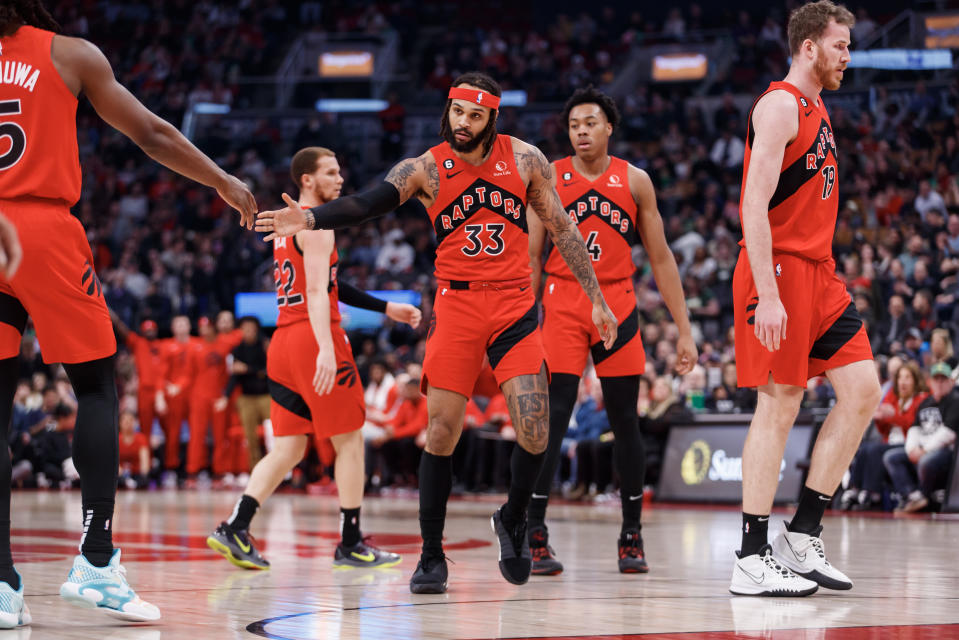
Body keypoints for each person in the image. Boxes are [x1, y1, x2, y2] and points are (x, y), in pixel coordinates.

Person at [256, 72, 618, 594]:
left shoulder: (525, 159)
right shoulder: (424, 167)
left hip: (515, 304)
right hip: (457, 306)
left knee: (536, 429)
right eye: (456, 113)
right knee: (442, 433)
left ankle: (513, 518)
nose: (463, 124)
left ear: (492, 117)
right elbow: (369, 202)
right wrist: (312, 218)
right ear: (447, 111)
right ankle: (431, 554)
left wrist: (598, 300)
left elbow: (562, 228)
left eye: (474, 116)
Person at [0, 0, 256, 625]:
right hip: (41, 230)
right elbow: (151, 133)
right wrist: (221, 179)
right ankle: (95, 558)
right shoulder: (67, 53)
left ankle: (2, 587)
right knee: (94, 385)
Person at [207, 147, 421, 570]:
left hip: (283, 342)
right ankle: (351, 541)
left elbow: (327, 283)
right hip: (312, 336)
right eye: (330, 172)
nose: (340, 179)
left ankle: (235, 526)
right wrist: (326, 347)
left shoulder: (292, 226)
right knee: (350, 441)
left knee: (288, 448)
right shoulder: (317, 226)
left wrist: (385, 308)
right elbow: (321, 294)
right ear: (307, 179)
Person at [729, 0, 881, 598]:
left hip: (821, 273)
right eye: (840, 45)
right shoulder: (779, 105)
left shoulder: (818, 108)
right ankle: (750, 554)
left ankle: (803, 533)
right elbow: (752, 204)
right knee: (780, 403)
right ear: (810, 47)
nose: (848, 55)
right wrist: (768, 293)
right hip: (780, 272)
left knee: (864, 390)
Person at [525, 86, 696, 576]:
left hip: (619, 303)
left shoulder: (635, 181)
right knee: (554, 417)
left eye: (590, 123)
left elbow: (661, 258)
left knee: (625, 421)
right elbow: (533, 257)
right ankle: (535, 531)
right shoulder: (548, 177)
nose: (581, 131)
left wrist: (684, 329)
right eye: (574, 124)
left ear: (609, 128)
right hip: (561, 302)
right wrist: (524, 321)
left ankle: (631, 533)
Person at [883, 362, 958, 512]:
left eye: (943, 379)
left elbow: (948, 434)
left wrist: (923, 450)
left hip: (945, 452)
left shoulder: (955, 401)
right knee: (891, 457)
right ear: (930, 381)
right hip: (921, 448)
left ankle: (924, 496)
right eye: (936, 379)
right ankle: (912, 495)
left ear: (951, 382)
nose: (939, 383)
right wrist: (912, 449)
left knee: (926, 461)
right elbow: (914, 429)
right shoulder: (926, 402)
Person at [222, 316, 270, 471]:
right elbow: (234, 376)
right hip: (246, 397)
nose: (248, 330)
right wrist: (225, 396)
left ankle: (280, 472)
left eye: (251, 327)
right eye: (245, 327)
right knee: (250, 437)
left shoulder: (265, 346)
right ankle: (255, 470)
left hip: (266, 396)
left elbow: (268, 371)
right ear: (240, 330)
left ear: (256, 328)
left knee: (273, 433)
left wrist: (248, 369)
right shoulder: (237, 350)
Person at [109, 313, 165, 446]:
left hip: (160, 391)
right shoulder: (139, 343)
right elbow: (121, 329)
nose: (149, 332)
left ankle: (169, 463)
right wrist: (111, 314)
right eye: (147, 330)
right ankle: (147, 461)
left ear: (156, 331)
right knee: (145, 428)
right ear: (143, 331)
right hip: (143, 391)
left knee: (167, 427)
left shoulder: (164, 345)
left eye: (152, 329)